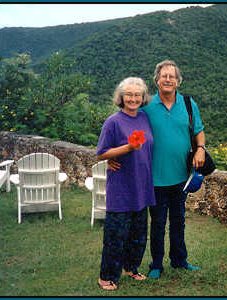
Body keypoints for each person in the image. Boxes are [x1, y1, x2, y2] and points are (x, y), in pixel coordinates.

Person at [109, 60, 206, 279]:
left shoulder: (189, 104)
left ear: (178, 80)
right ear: (157, 80)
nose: (168, 80)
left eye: (172, 76)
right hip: (154, 178)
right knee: (158, 224)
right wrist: (111, 156)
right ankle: (156, 265)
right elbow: (125, 129)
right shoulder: (146, 108)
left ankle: (180, 260)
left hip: (181, 176)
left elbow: (199, 131)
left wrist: (201, 148)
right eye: (164, 76)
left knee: (178, 221)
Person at [96, 77, 156, 290]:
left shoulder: (144, 118)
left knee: (138, 234)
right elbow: (101, 153)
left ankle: (131, 268)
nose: (133, 98)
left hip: (142, 185)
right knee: (115, 235)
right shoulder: (113, 121)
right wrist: (127, 148)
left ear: (143, 97)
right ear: (121, 97)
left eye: (137, 95)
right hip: (121, 186)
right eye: (128, 95)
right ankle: (106, 276)